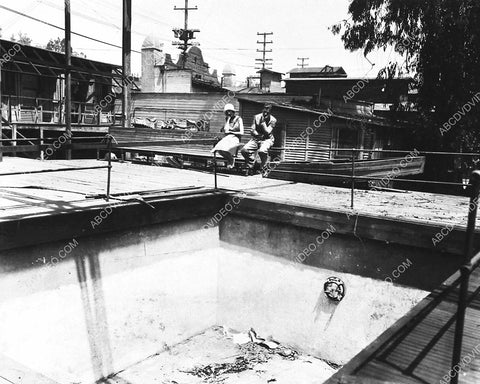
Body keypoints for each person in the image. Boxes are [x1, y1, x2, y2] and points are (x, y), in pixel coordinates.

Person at [241, 103, 277, 174]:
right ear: (262, 109)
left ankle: (263, 167)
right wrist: (257, 134)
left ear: (271, 111)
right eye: (265, 109)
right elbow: (252, 130)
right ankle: (252, 163)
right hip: (256, 138)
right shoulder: (256, 117)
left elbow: (267, 132)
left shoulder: (273, 120)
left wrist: (263, 124)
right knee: (244, 150)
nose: (266, 111)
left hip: (267, 139)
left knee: (262, 151)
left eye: (268, 110)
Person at [211, 103, 244, 168]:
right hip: (228, 138)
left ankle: (231, 160)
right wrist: (228, 120)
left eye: (230, 111)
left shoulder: (239, 119)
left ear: (233, 111)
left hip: (235, 138)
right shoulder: (227, 119)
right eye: (227, 111)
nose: (229, 113)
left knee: (225, 149)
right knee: (219, 149)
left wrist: (231, 132)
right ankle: (230, 159)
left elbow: (241, 132)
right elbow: (226, 130)